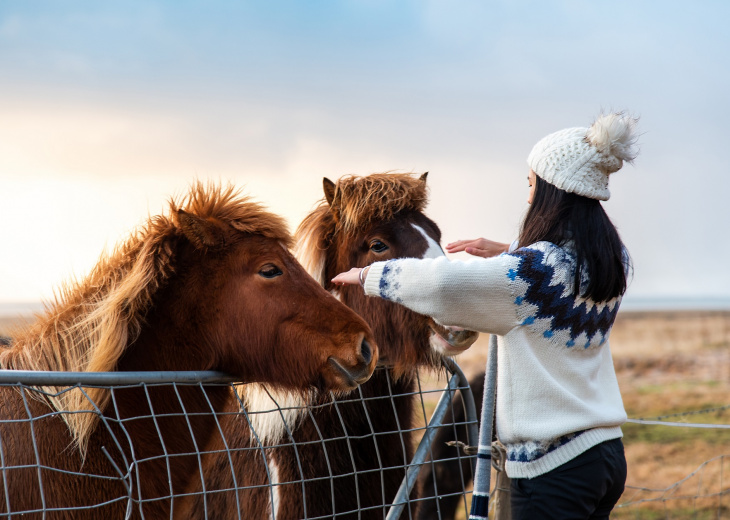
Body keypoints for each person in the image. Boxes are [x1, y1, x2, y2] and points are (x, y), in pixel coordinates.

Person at [333, 112, 638, 519]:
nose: (529, 197)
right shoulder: (609, 259)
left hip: (554, 466)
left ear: (554, 192)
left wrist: (368, 274)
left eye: (532, 185)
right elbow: (547, 278)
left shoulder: (533, 274)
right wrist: (510, 251)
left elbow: (444, 286)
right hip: (604, 452)